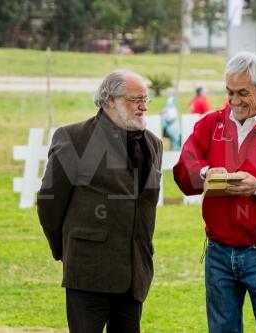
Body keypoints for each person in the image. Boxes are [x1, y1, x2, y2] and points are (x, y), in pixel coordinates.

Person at [173, 51, 256, 333]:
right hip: (218, 251)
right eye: (230, 92)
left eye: (242, 92)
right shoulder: (210, 124)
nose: (234, 100)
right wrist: (207, 172)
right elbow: (184, 167)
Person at [37, 69, 163, 333]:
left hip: (134, 275)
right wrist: (67, 250)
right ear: (109, 101)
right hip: (88, 272)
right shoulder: (73, 138)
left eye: (146, 99)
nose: (143, 106)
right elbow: (50, 202)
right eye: (135, 99)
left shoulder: (153, 143)